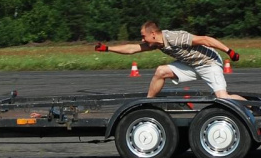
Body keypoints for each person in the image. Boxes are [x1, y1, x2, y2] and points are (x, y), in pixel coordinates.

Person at [95, 21, 245, 101]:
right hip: (191, 65)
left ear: (153, 34)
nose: (142, 40)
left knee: (223, 98)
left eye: (143, 36)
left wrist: (229, 51)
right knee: (161, 71)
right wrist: (108, 48)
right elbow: (132, 48)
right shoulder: (156, 43)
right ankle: (148, 103)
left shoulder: (174, 38)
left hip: (208, 63)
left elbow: (205, 39)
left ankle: (250, 107)